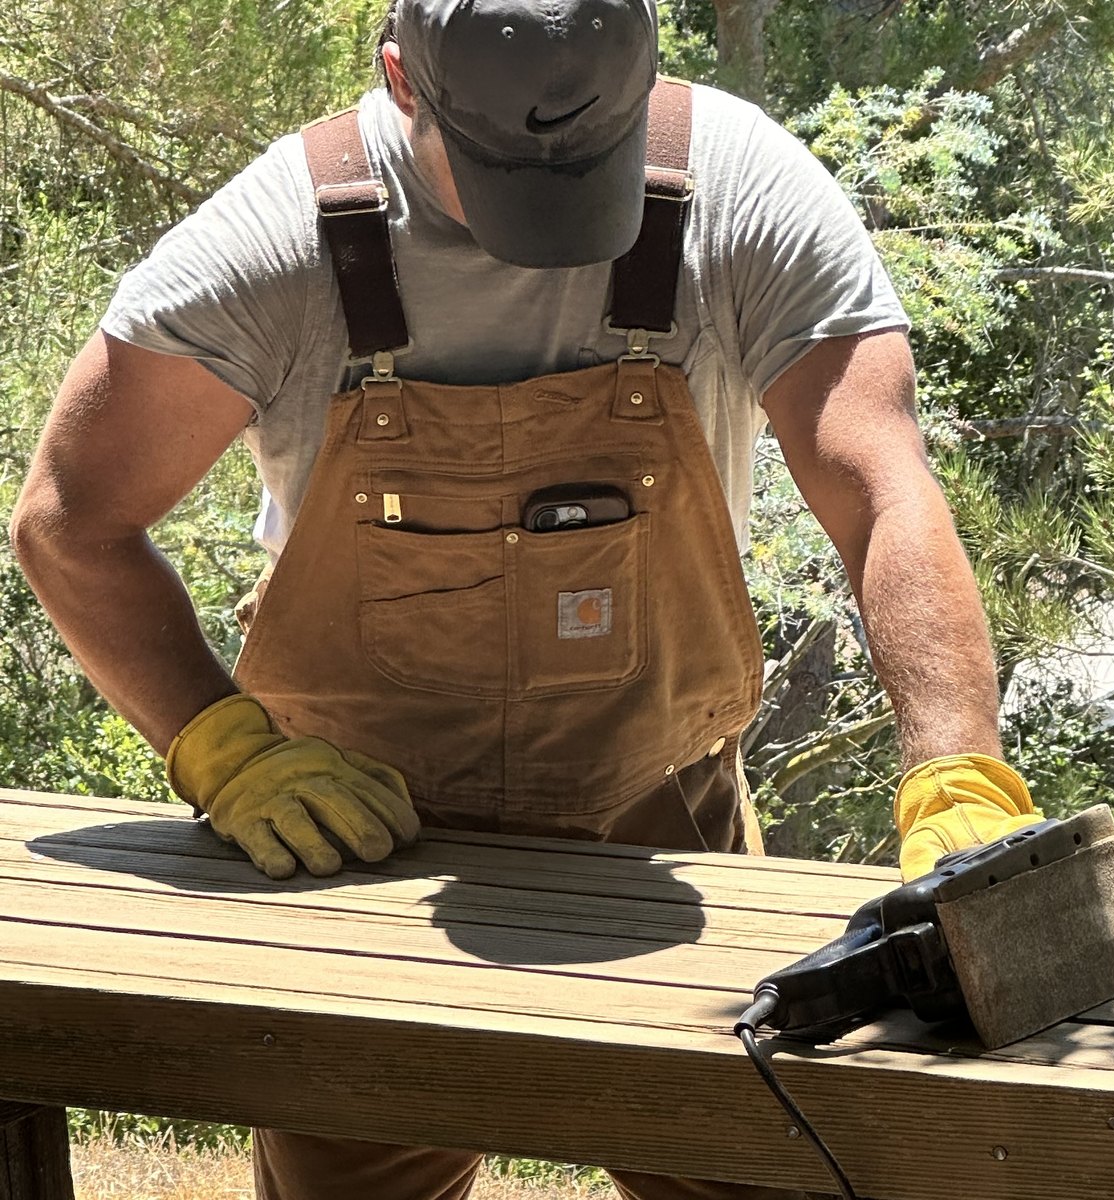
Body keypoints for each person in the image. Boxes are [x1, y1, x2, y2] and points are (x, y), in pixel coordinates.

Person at [8, 0, 1043, 1196]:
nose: (555, 215)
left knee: (758, 1168)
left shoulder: (743, 191)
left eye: (587, 161)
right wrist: (226, 750)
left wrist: (958, 774)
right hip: (360, 857)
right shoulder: (285, 237)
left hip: (668, 826)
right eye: (508, 171)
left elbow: (883, 490)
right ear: (401, 79)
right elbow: (67, 524)